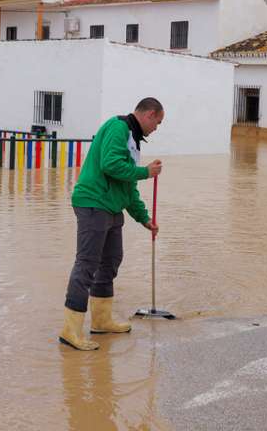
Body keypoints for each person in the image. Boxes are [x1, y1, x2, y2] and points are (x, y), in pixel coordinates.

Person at [58, 97, 164, 351]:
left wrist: (144, 218)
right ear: (149, 114)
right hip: (93, 202)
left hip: (112, 206)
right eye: (158, 122)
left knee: (111, 260)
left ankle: (102, 320)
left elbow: (127, 187)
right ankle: (70, 331)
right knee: (87, 264)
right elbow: (110, 165)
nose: (157, 128)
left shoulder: (133, 138)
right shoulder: (119, 127)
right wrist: (145, 172)